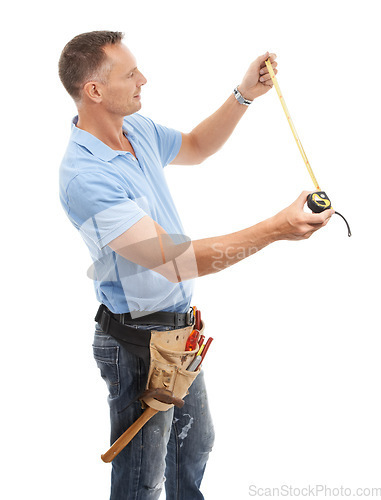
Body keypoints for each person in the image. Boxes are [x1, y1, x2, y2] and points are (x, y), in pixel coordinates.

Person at [58, 31, 333, 500]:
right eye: (130, 74)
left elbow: (198, 145)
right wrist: (277, 229)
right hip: (137, 345)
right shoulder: (85, 177)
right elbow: (174, 261)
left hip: (177, 335)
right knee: (142, 478)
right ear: (95, 91)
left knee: (194, 446)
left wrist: (243, 94)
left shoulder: (135, 130)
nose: (143, 79)